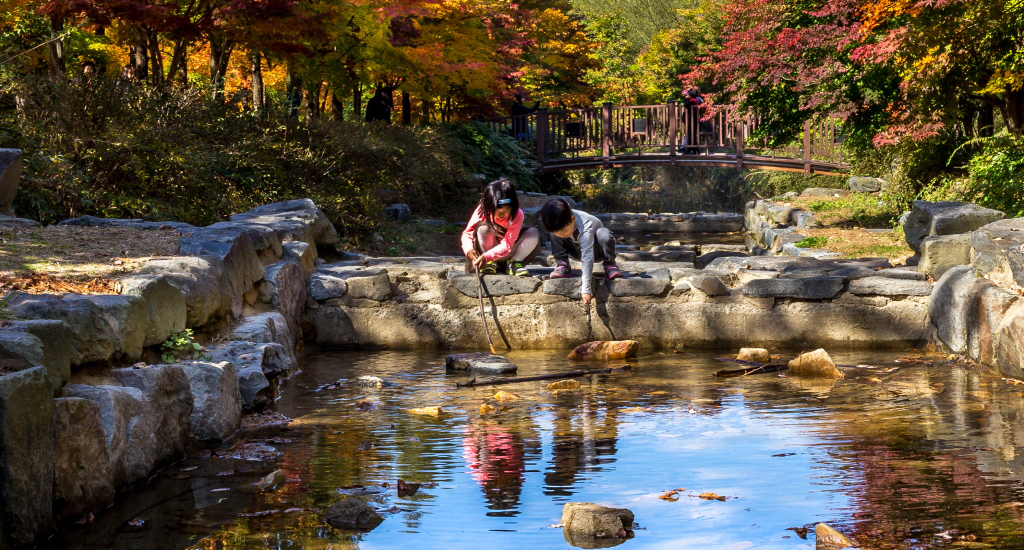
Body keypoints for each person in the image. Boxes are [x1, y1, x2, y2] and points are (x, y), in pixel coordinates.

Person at [538, 198, 624, 305]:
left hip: (596, 250)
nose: (561, 234)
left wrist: (586, 289)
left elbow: (587, 257)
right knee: (555, 233)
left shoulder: (586, 225)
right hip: (576, 249)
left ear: (573, 219)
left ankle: (610, 265)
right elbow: (559, 231)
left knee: (604, 233)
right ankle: (562, 265)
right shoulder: (560, 223)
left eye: (564, 230)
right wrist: (559, 232)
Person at [461, 179, 541, 276]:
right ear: (488, 207)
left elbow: (508, 244)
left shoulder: (517, 214)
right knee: (484, 228)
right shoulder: (482, 211)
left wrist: (488, 256)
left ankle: (514, 263)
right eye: (496, 211)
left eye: (506, 210)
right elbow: (467, 233)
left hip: (508, 252)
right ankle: (489, 264)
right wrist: (468, 249)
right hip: (484, 254)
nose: (501, 215)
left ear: (513, 206)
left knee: (533, 233)